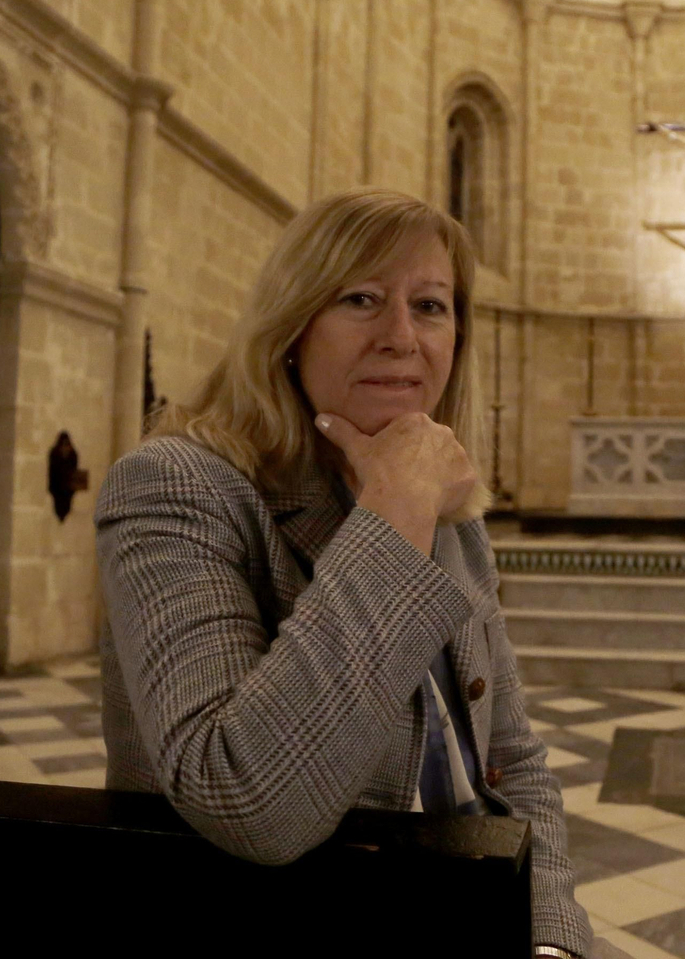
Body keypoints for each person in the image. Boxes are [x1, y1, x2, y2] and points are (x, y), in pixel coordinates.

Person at [94, 188, 609, 958]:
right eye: (361, 298)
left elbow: (514, 764)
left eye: (430, 306)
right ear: (293, 327)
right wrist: (397, 505)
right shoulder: (178, 486)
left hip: (472, 912)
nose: (401, 336)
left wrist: (553, 944)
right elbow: (251, 802)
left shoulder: (453, 518)